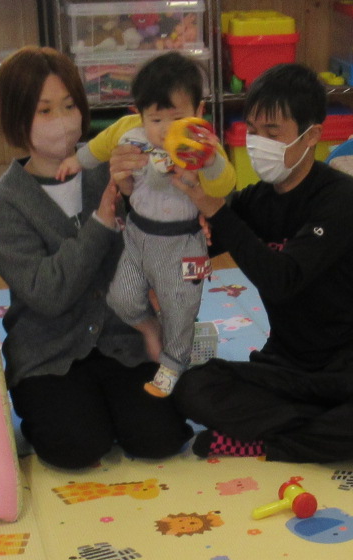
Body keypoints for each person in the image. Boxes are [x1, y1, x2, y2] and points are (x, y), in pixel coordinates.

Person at [171, 63, 353, 463]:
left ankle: (268, 441)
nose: (259, 143)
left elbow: (283, 280)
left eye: (272, 132)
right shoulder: (257, 200)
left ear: (311, 136)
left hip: (352, 363)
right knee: (193, 387)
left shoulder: (341, 196)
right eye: (253, 131)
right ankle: (335, 432)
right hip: (284, 364)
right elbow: (192, 247)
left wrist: (216, 210)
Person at [0, 47, 190, 469]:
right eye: (44, 110)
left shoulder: (108, 168)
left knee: (161, 437)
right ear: (17, 118)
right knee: (75, 447)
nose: (62, 120)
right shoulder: (6, 200)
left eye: (69, 105)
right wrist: (101, 223)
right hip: (49, 351)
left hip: (122, 340)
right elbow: (48, 293)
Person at [73, 51, 235, 397]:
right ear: (139, 114)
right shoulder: (130, 132)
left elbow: (225, 185)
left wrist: (208, 162)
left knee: (181, 308)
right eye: (155, 119)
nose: (164, 130)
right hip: (138, 237)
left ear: (198, 112)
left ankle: (174, 362)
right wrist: (77, 161)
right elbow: (101, 144)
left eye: (176, 118)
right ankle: (150, 328)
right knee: (121, 297)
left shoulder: (201, 145)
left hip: (182, 242)